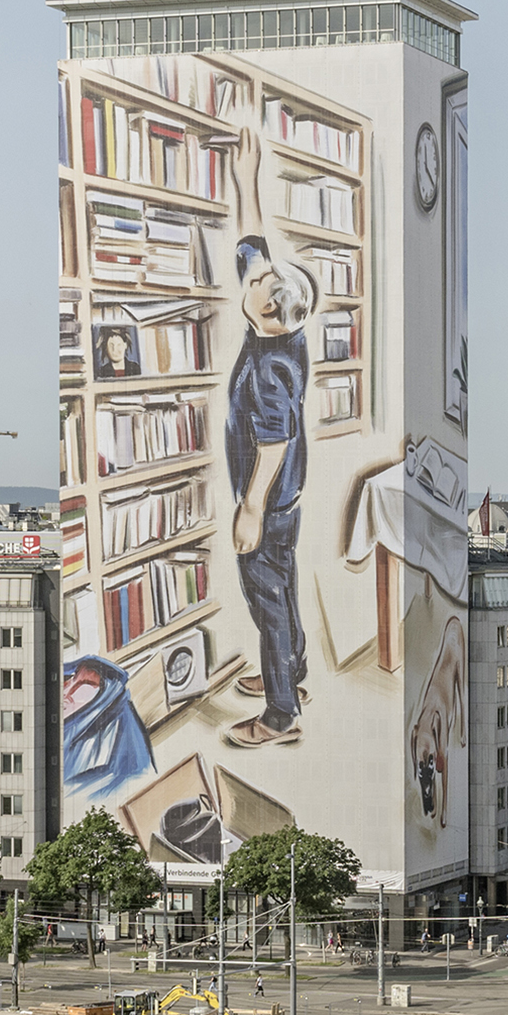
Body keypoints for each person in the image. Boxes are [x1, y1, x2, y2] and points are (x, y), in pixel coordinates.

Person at [223, 240, 312, 749]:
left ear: (270, 307)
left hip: (269, 501)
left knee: (268, 601)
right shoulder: (283, 336)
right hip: (287, 499)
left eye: (257, 283)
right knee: (283, 588)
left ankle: (281, 713)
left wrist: (250, 507)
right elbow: (250, 256)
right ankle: (290, 670)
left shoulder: (269, 368)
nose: (249, 280)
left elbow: (274, 442)